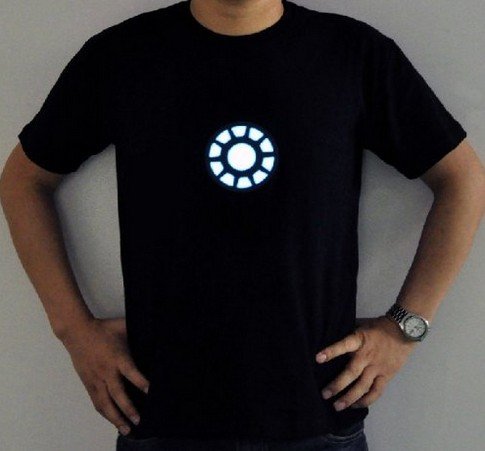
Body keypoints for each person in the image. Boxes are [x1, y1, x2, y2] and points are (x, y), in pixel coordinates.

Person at [1, 0, 484, 450]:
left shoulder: (354, 56)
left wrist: (404, 329)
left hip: (317, 416)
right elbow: (24, 181)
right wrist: (74, 331)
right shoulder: (121, 57)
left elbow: (464, 181)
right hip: (161, 414)